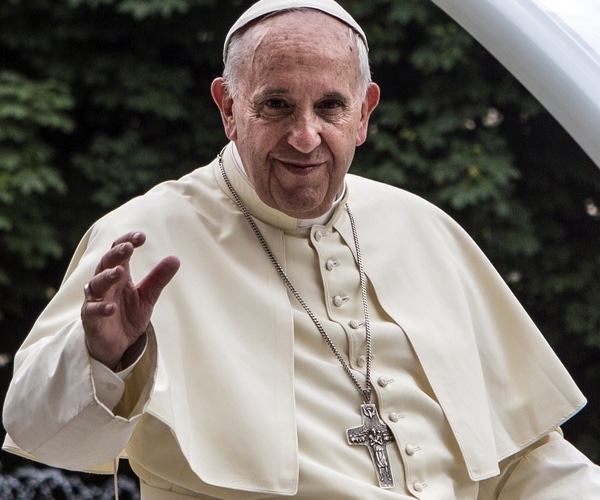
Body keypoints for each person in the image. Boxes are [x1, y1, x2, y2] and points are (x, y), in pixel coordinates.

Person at [3, 0, 600, 498]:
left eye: (331, 106)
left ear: (364, 114)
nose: (306, 135)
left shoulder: (424, 229)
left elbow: (527, 460)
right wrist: (104, 362)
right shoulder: (144, 238)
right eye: (277, 104)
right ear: (229, 108)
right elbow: (38, 431)